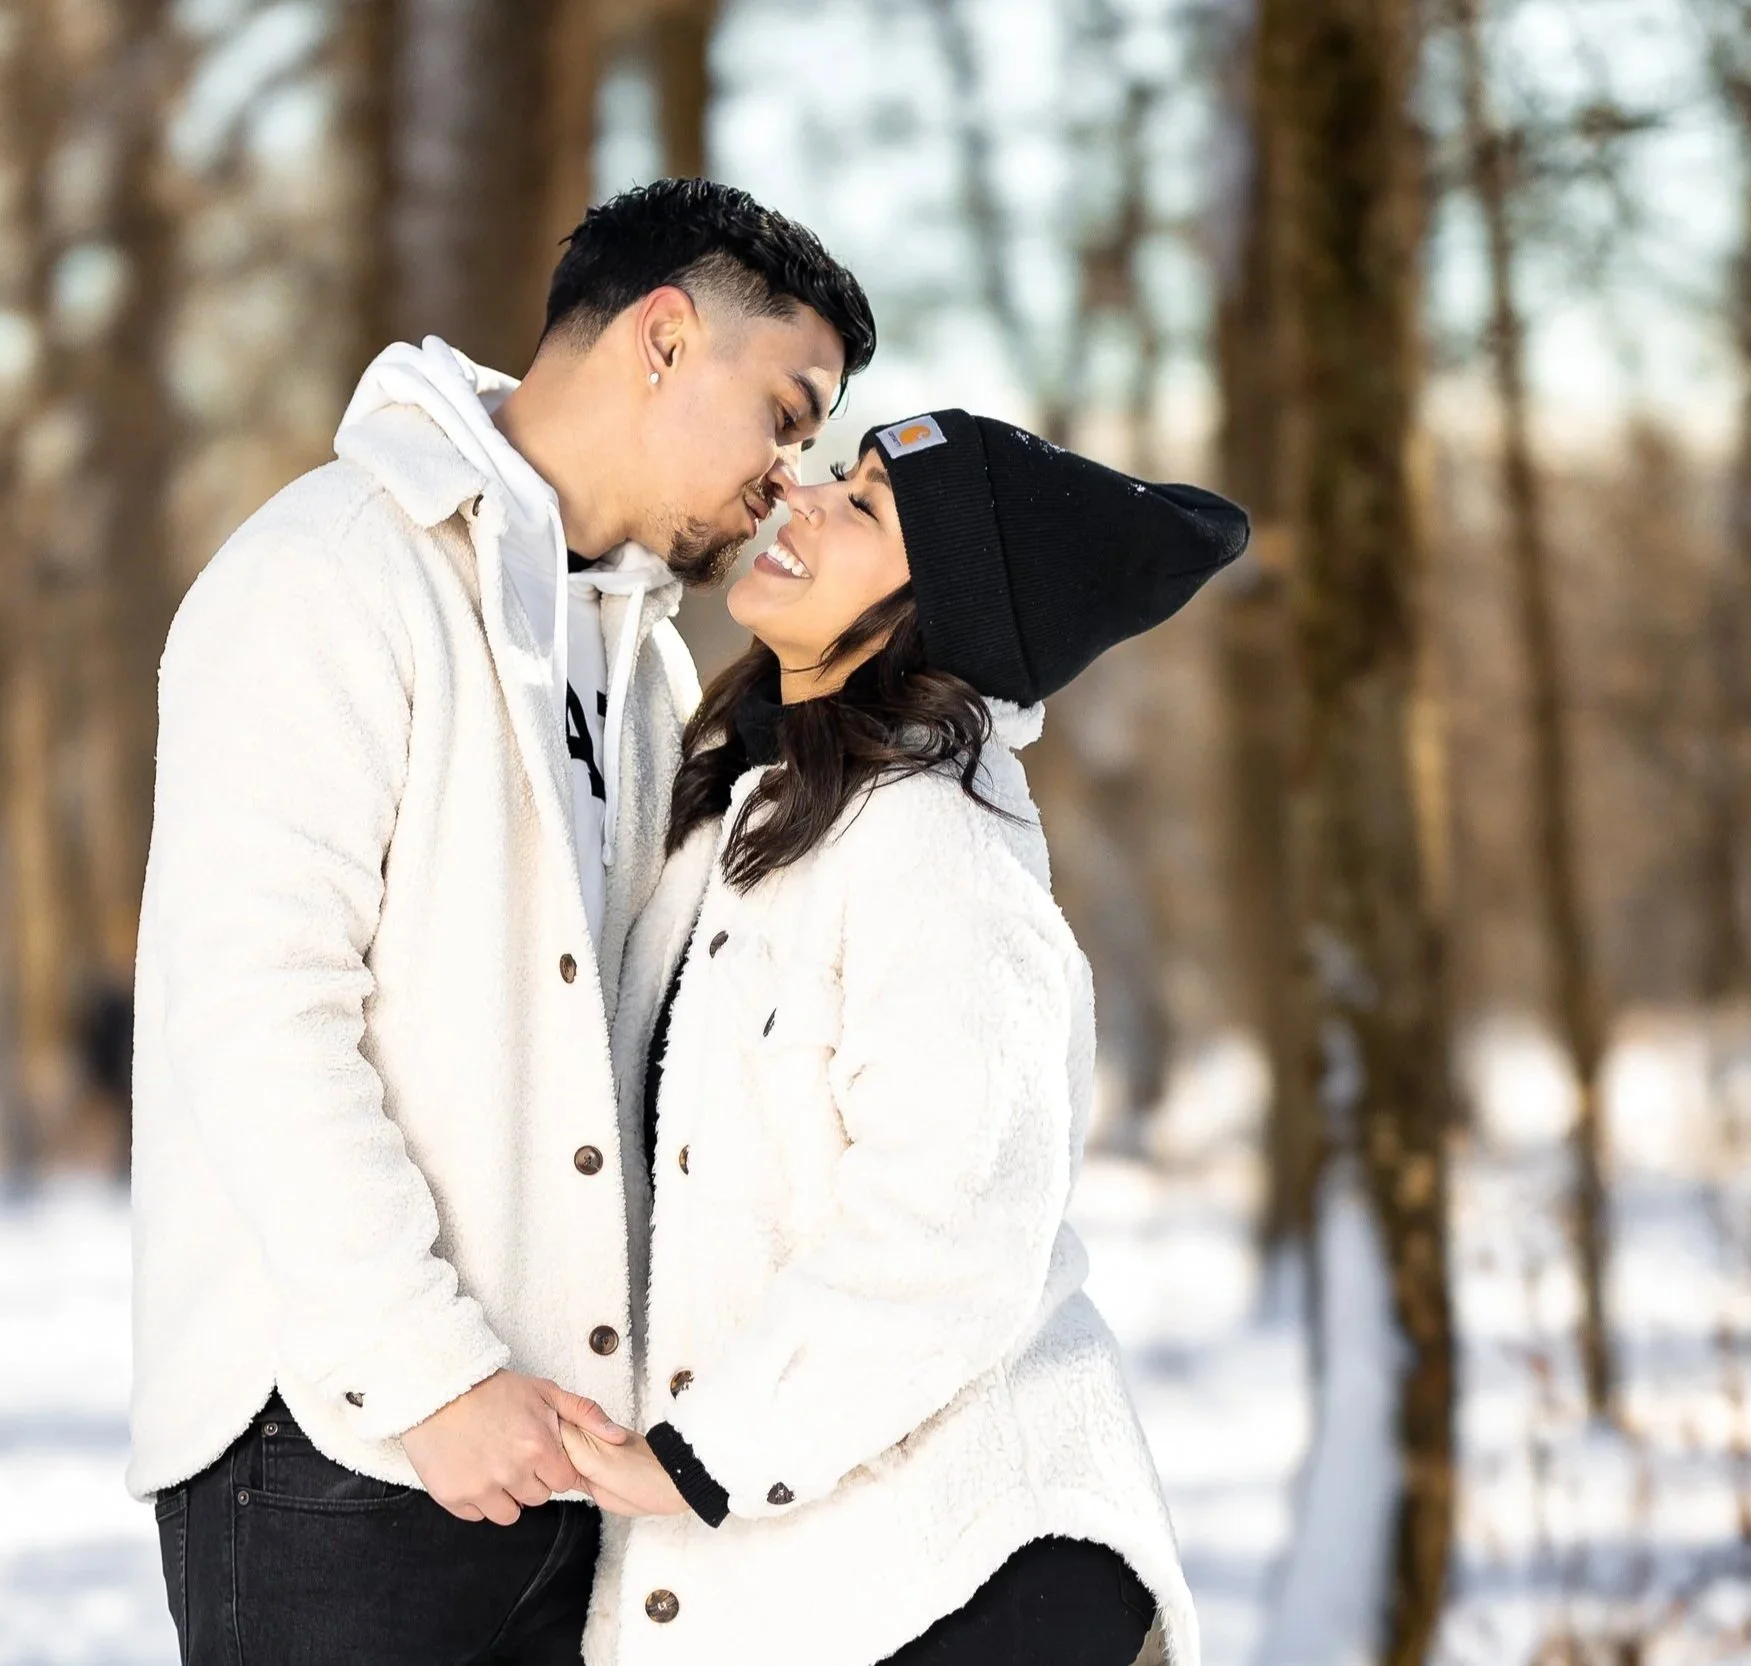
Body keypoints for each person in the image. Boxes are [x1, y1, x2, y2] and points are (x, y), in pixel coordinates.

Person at [128, 180, 876, 1666]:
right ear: (664, 338)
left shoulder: (640, 657)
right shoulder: (335, 572)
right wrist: (431, 1376)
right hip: (340, 1448)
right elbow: (255, 1008)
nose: (791, 478)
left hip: (560, 1464)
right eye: (786, 416)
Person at [561, 409, 1246, 1664]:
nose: (802, 501)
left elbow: (949, 1225)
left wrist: (710, 1454)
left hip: (975, 1581)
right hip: (820, 1574)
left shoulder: (933, 848)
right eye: (833, 475)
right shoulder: (740, 811)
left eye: (864, 507)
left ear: (941, 614)